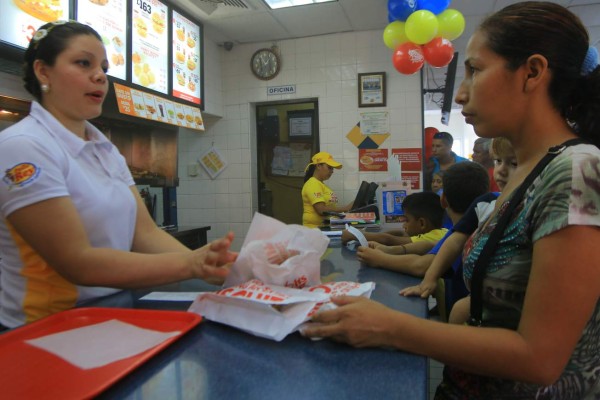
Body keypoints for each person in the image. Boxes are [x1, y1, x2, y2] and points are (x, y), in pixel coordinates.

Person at [304, 3, 600, 398]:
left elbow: (540, 358)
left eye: (475, 70)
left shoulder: (577, 170)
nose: (460, 93)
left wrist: (391, 327)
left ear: (532, 72)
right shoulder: (527, 172)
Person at [0, 21, 237, 330]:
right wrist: (190, 263)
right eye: (83, 63)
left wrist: (208, 267)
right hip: (44, 327)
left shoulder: (105, 150)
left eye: (103, 67)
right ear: (43, 71)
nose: (100, 76)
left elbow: (145, 234)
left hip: (110, 312)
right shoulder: (24, 147)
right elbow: (78, 262)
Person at [401, 137, 517, 321]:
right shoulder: (486, 202)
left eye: (514, 163)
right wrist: (429, 279)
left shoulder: (530, 207)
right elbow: (454, 240)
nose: (501, 170)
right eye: (498, 161)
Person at [358, 162, 489, 281]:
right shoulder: (478, 231)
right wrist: (390, 250)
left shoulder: (462, 237)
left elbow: (420, 266)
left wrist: (379, 259)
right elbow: (428, 245)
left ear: (443, 200)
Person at [302, 151, 353, 228]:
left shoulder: (321, 185)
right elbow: (321, 210)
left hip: (324, 228)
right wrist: (346, 208)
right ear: (319, 166)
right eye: (329, 167)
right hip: (314, 231)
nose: (332, 171)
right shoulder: (313, 183)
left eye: (332, 168)